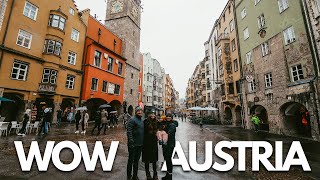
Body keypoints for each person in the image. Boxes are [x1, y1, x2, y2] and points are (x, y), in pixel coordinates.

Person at [127, 106, 144, 180]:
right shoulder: (132, 120)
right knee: (131, 160)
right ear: (136, 112)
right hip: (133, 144)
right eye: (138, 111)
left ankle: (135, 175)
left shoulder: (141, 120)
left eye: (141, 111)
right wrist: (131, 142)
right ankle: (129, 176)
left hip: (140, 144)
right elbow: (129, 131)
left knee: (136, 161)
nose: (140, 112)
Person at [142, 110, 159, 180]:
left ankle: (155, 174)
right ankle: (148, 174)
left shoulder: (157, 122)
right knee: (147, 160)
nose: (152, 115)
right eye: (151, 114)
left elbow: (165, 124)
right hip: (146, 143)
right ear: (148, 115)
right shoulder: (145, 122)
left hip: (154, 143)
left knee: (154, 159)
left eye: (153, 114)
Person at [162, 113, 178, 180]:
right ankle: (168, 172)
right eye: (167, 116)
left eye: (169, 116)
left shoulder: (173, 125)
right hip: (165, 144)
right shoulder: (165, 123)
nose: (168, 117)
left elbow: (169, 133)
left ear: (171, 117)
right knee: (166, 158)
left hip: (170, 144)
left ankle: (170, 174)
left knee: (168, 158)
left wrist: (163, 133)